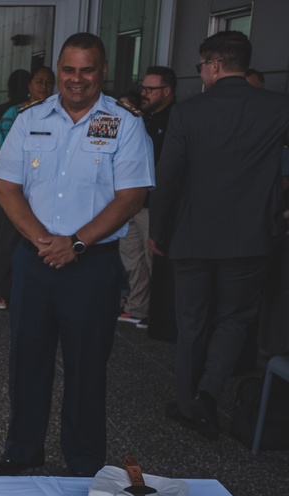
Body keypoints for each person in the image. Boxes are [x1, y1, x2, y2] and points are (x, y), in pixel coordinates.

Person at [0, 33, 153, 476]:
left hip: (92, 265)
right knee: (27, 362)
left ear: (102, 72)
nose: (76, 79)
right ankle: (22, 451)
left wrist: (76, 242)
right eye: (69, 69)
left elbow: (131, 196)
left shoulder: (125, 122)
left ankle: (83, 462)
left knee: (86, 367)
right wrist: (45, 240)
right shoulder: (30, 118)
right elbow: (6, 187)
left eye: (87, 70)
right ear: (58, 70)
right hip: (35, 261)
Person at [150, 31, 289, 440]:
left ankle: (188, 402)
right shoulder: (278, 107)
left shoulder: (189, 112)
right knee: (234, 319)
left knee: (191, 321)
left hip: (192, 236)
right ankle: (209, 393)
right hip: (251, 237)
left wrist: (158, 230)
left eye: (201, 68)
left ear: (212, 65)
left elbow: (168, 177)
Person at [0, 65, 55, 310]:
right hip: (15, 190)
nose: (44, 87)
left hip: (45, 191)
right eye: (39, 81)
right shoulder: (17, 114)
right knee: (11, 238)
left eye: (48, 82)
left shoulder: (60, 115)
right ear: (29, 86)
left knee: (44, 236)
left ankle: (29, 290)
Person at [118, 66, 176, 329]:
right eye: (143, 88)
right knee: (132, 260)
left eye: (150, 89)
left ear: (167, 91)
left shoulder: (176, 120)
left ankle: (158, 314)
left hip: (154, 205)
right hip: (130, 203)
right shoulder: (141, 118)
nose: (144, 93)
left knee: (154, 260)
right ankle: (137, 307)